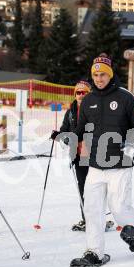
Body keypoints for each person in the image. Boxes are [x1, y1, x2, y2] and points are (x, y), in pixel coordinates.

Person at [69, 54, 134, 267]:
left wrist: (132, 145)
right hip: (96, 165)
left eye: (102, 75)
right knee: (92, 209)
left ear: (110, 74)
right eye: (95, 75)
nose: (98, 79)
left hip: (120, 163)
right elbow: (80, 129)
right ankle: (94, 252)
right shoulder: (88, 100)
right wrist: (68, 138)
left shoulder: (125, 97)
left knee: (119, 208)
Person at [50, 80, 92, 231]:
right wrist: (58, 135)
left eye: (84, 92)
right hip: (79, 156)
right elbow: (64, 130)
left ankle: (96, 218)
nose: (80, 95)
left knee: (95, 189)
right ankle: (86, 219)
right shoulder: (70, 112)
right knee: (82, 189)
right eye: (78, 92)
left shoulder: (95, 109)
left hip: (95, 156)